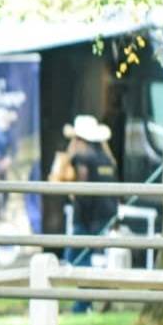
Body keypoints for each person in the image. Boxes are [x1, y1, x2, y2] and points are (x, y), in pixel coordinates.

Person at [49, 115, 119, 313]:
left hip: (87, 218)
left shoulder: (81, 159)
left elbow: (80, 188)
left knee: (76, 259)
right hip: (106, 216)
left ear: (80, 140)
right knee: (89, 259)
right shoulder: (108, 159)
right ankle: (94, 300)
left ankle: (83, 304)